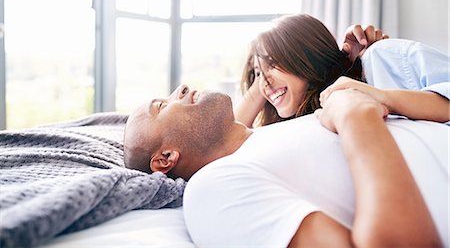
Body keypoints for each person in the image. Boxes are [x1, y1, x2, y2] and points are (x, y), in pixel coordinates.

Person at [123, 84, 448, 247]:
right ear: (165, 159)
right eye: (162, 106)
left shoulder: (275, 134)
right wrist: (356, 117)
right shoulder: (210, 190)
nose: (179, 90)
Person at [235, 14, 450, 127]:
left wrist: (382, 97)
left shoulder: (383, 57)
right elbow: (226, 141)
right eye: (258, 73)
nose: (264, 82)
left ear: (306, 55)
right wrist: (261, 76)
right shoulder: (305, 122)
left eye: (273, 63)